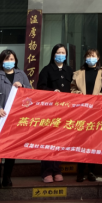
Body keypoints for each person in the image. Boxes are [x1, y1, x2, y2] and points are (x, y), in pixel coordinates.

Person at [0, 49, 31, 188]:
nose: (9, 62)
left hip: (14, 119)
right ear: (1, 61)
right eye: (6, 59)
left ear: (15, 60)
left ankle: (7, 178)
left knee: (11, 150)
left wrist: (23, 87)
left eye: (12, 59)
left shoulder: (21, 74)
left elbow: (30, 93)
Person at [37, 44, 73, 183]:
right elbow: (40, 88)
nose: (61, 55)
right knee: (48, 140)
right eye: (58, 52)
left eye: (63, 52)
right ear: (53, 54)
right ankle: (46, 171)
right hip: (50, 112)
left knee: (60, 141)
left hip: (65, 112)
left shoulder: (69, 70)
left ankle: (57, 169)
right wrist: (52, 92)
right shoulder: (46, 70)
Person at [71, 48, 102, 182]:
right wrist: (78, 94)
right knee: (81, 141)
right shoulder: (78, 73)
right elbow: (72, 88)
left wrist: (99, 98)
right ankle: (80, 171)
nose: (91, 58)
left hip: (97, 111)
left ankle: (91, 171)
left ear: (98, 58)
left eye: (93, 56)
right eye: (88, 56)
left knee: (94, 141)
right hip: (81, 111)